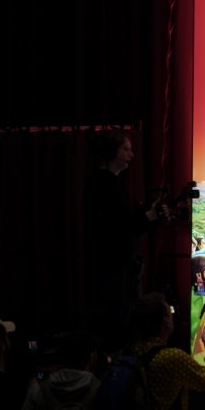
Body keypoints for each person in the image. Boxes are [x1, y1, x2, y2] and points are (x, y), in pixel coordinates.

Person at [82, 128, 167, 351]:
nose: (131, 155)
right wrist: (148, 217)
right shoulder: (106, 184)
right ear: (112, 151)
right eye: (126, 149)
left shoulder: (102, 182)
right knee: (118, 325)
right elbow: (118, 227)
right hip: (113, 270)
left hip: (110, 268)